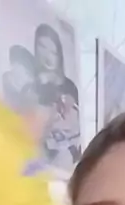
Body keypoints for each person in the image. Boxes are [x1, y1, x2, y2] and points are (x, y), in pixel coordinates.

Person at [33, 23, 81, 165]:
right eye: (42, 47)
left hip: (64, 158)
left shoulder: (70, 88)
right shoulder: (31, 86)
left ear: (59, 55)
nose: (47, 56)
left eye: (53, 52)